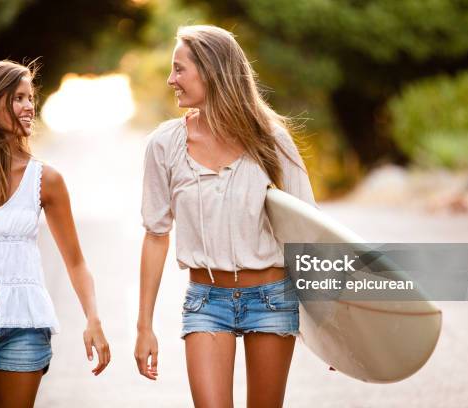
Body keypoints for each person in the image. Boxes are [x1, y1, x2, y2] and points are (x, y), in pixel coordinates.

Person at [134, 25, 316, 407]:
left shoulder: (271, 139)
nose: (171, 80)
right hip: (206, 302)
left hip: (271, 300)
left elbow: (308, 232)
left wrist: (335, 330)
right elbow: (155, 233)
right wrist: (144, 326)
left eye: (179, 69)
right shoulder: (165, 144)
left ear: (211, 70)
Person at [0, 60, 110, 408]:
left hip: (24, 330)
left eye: (30, 98)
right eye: (18, 98)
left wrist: (93, 319)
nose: (29, 107)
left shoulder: (47, 181)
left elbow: (76, 262)